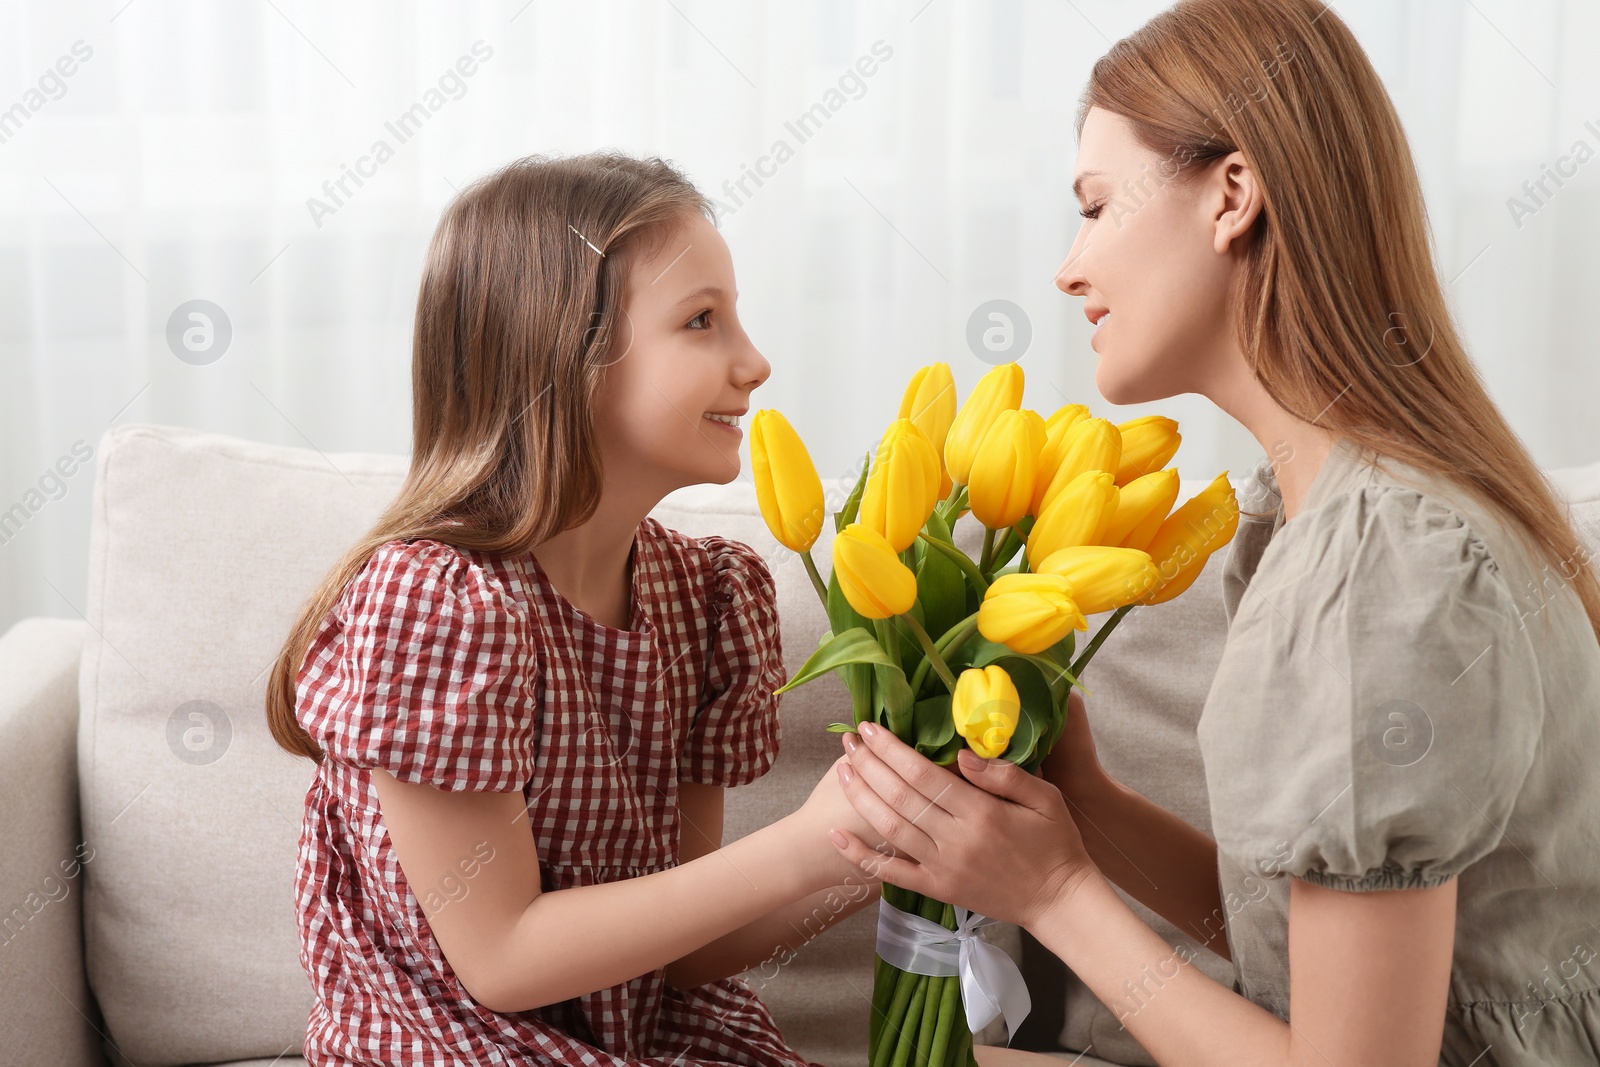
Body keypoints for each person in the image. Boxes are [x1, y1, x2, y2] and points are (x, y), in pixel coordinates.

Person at [825, 1, 1600, 1064]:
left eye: (1095, 207)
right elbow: (1318, 961)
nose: (1066, 267)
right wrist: (1086, 811)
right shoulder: (1339, 511)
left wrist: (1051, 896)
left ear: (1232, 194)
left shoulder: (1385, 567)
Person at [263, 151, 883, 1066]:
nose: (754, 362)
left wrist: (873, 845)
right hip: (453, 1049)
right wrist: (802, 845)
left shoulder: (704, 598)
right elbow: (504, 958)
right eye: (702, 321)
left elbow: (682, 953)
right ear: (566, 358)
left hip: (645, 1041)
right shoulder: (439, 604)